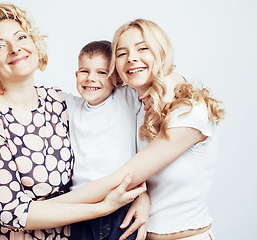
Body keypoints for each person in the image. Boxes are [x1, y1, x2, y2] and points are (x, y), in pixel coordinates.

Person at [0, 3, 145, 240]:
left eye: (21, 37)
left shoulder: (56, 100)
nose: (15, 48)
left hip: (72, 234)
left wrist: (142, 196)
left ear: (34, 45)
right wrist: (103, 207)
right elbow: (11, 213)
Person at [54, 19, 225, 240]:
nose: (132, 58)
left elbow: (124, 177)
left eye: (143, 48)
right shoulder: (134, 106)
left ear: (161, 51)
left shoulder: (189, 111)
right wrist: (142, 198)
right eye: (122, 53)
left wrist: (43, 210)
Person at [63, 40, 150, 240]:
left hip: (122, 207)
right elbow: (32, 94)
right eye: (84, 71)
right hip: (81, 210)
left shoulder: (126, 98)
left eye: (102, 72)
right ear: (76, 75)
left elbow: (157, 77)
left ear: (117, 78)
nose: (91, 78)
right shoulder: (70, 105)